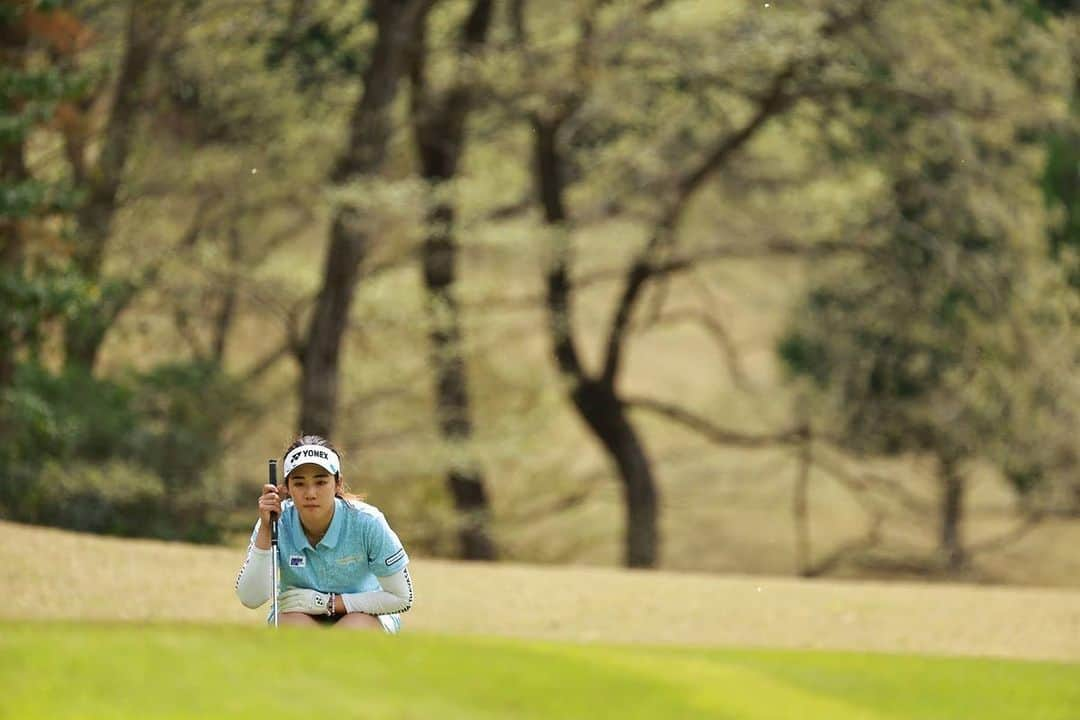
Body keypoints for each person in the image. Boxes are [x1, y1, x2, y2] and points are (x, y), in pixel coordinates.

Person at [235, 435, 413, 632]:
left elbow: (402, 598)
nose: (310, 493)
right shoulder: (276, 520)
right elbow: (250, 598)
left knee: (353, 630)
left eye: (321, 482)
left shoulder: (368, 521)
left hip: (365, 613)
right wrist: (266, 530)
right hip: (298, 614)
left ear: (337, 483)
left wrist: (326, 603)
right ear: (286, 488)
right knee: (293, 628)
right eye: (299, 483)